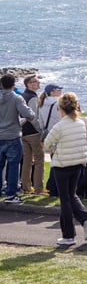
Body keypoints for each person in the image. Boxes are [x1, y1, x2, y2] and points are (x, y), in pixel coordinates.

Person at [42, 92, 87, 246]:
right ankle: (85, 220)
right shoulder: (80, 123)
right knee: (72, 195)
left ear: (61, 109)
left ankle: (68, 235)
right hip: (77, 164)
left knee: (65, 199)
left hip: (62, 164)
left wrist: (55, 148)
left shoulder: (59, 126)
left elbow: (47, 144)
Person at [0, 74, 35, 203]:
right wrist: (27, 117)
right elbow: (28, 114)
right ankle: (11, 194)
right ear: (14, 85)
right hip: (12, 135)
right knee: (14, 166)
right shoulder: (16, 98)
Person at [20, 74, 44, 195]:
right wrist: (41, 131)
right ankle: (38, 188)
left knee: (27, 161)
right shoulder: (33, 98)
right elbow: (34, 117)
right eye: (35, 81)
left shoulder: (22, 96)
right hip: (33, 133)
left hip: (23, 132)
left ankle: (26, 187)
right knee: (39, 160)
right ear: (29, 84)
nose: (38, 83)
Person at [38, 83, 63, 196]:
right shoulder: (59, 103)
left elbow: (41, 123)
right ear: (52, 92)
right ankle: (55, 188)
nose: (60, 91)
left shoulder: (41, 103)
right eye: (58, 89)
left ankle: (51, 186)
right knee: (61, 163)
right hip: (60, 135)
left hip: (49, 135)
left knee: (55, 162)